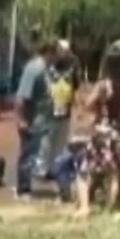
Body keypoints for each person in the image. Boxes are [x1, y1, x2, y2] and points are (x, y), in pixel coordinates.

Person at [81, 48, 120, 209]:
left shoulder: (105, 85)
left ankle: (85, 206)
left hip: (104, 129)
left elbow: (88, 104)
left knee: (88, 170)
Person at [12, 40, 61, 201]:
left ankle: (27, 187)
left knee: (34, 155)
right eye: (57, 52)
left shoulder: (46, 69)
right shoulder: (34, 69)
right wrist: (21, 120)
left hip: (41, 120)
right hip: (31, 120)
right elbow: (21, 98)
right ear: (49, 52)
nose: (59, 56)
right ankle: (23, 190)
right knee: (28, 154)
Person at [37, 39, 80, 179]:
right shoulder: (72, 66)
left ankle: (45, 167)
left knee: (48, 138)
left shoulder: (49, 67)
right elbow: (76, 85)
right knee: (56, 139)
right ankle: (52, 168)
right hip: (61, 106)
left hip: (52, 107)